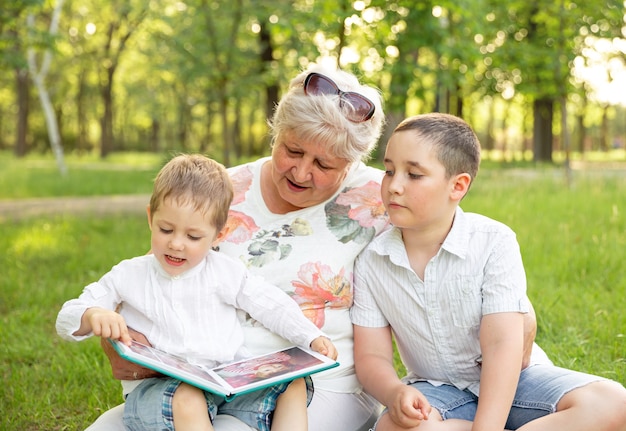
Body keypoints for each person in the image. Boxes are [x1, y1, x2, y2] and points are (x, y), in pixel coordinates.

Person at [85, 64, 540, 431]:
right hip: (204, 375)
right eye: (292, 151)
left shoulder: (380, 200)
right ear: (275, 135)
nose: (302, 173)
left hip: (317, 386)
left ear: (354, 163)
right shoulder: (223, 190)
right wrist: (124, 342)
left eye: (325, 164)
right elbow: (161, 263)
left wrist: (521, 317)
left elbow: (460, 249)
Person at [351, 113, 626, 431]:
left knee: (615, 402)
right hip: (436, 390)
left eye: (413, 174)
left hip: (517, 379)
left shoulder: (493, 241)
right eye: (388, 170)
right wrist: (395, 390)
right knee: (392, 428)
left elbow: (502, 345)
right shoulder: (373, 260)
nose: (393, 186)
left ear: (458, 186)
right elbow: (372, 356)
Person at [56, 154, 338, 431]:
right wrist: (91, 314)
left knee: (293, 384)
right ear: (150, 217)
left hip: (223, 383)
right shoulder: (128, 275)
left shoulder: (225, 271)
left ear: (219, 234)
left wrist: (310, 337)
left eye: (193, 237)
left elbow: (270, 304)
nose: (176, 244)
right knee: (188, 398)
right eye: (166, 229)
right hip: (159, 390)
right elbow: (67, 316)